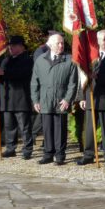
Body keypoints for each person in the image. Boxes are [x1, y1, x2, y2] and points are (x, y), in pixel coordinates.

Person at [77, 29, 105, 168]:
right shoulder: (90, 58)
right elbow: (83, 79)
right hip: (91, 97)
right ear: (97, 41)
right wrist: (82, 97)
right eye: (104, 39)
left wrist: (98, 77)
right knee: (90, 130)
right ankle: (89, 154)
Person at [31, 33, 78, 165]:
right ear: (50, 45)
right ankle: (48, 154)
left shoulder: (70, 60)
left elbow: (73, 83)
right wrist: (35, 100)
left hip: (61, 100)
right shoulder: (40, 60)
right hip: (45, 99)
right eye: (58, 43)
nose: (61, 45)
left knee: (60, 128)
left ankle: (60, 155)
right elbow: (34, 82)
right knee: (47, 128)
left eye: (62, 43)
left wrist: (68, 99)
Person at [0, 35, 34, 160]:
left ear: (21, 47)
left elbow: (21, 74)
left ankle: (27, 149)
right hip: (7, 99)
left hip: (21, 98)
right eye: (10, 45)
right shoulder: (6, 60)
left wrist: (4, 73)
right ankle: (11, 148)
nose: (10, 48)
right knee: (9, 126)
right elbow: (3, 79)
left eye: (14, 45)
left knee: (24, 127)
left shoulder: (27, 60)